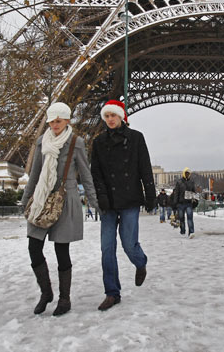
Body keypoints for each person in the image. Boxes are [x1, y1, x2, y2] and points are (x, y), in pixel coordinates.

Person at [21, 102, 96, 316]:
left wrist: (93, 201)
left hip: (65, 200)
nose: (55, 124)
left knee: (61, 250)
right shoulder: (41, 142)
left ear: (67, 120)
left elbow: (86, 174)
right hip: (41, 200)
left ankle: (65, 299)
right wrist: (25, 200)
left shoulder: (76, 143)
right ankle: (46, 293)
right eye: (52, 121)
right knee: (33, 248)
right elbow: (35, 174)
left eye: (59, 121)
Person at [91, 99, 156, 311]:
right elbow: (96, 173)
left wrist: (150, 195)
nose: (110, 119)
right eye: (107, 116)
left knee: (129, 244)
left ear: (122, 116)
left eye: (113, 115)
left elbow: (145, 168)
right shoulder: (99, 142)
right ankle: (112, 292)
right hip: (108, 202)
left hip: (129, 199)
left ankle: (141, 262)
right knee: (107, 248)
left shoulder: (136, 138)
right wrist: (100, 196)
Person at [172, 167, 197, 238]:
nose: (187, 174)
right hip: (180, 203)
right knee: (181, 218)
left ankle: (191, 232)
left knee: (190, 218)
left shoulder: (192, 182)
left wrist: (194, 199)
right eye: (186, 173)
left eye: (188, 173)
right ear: (183, 173)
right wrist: (175, 203)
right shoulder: (179, 182)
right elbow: (176, 193)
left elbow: (194, 192)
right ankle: (182, 230)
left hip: (189, 203)